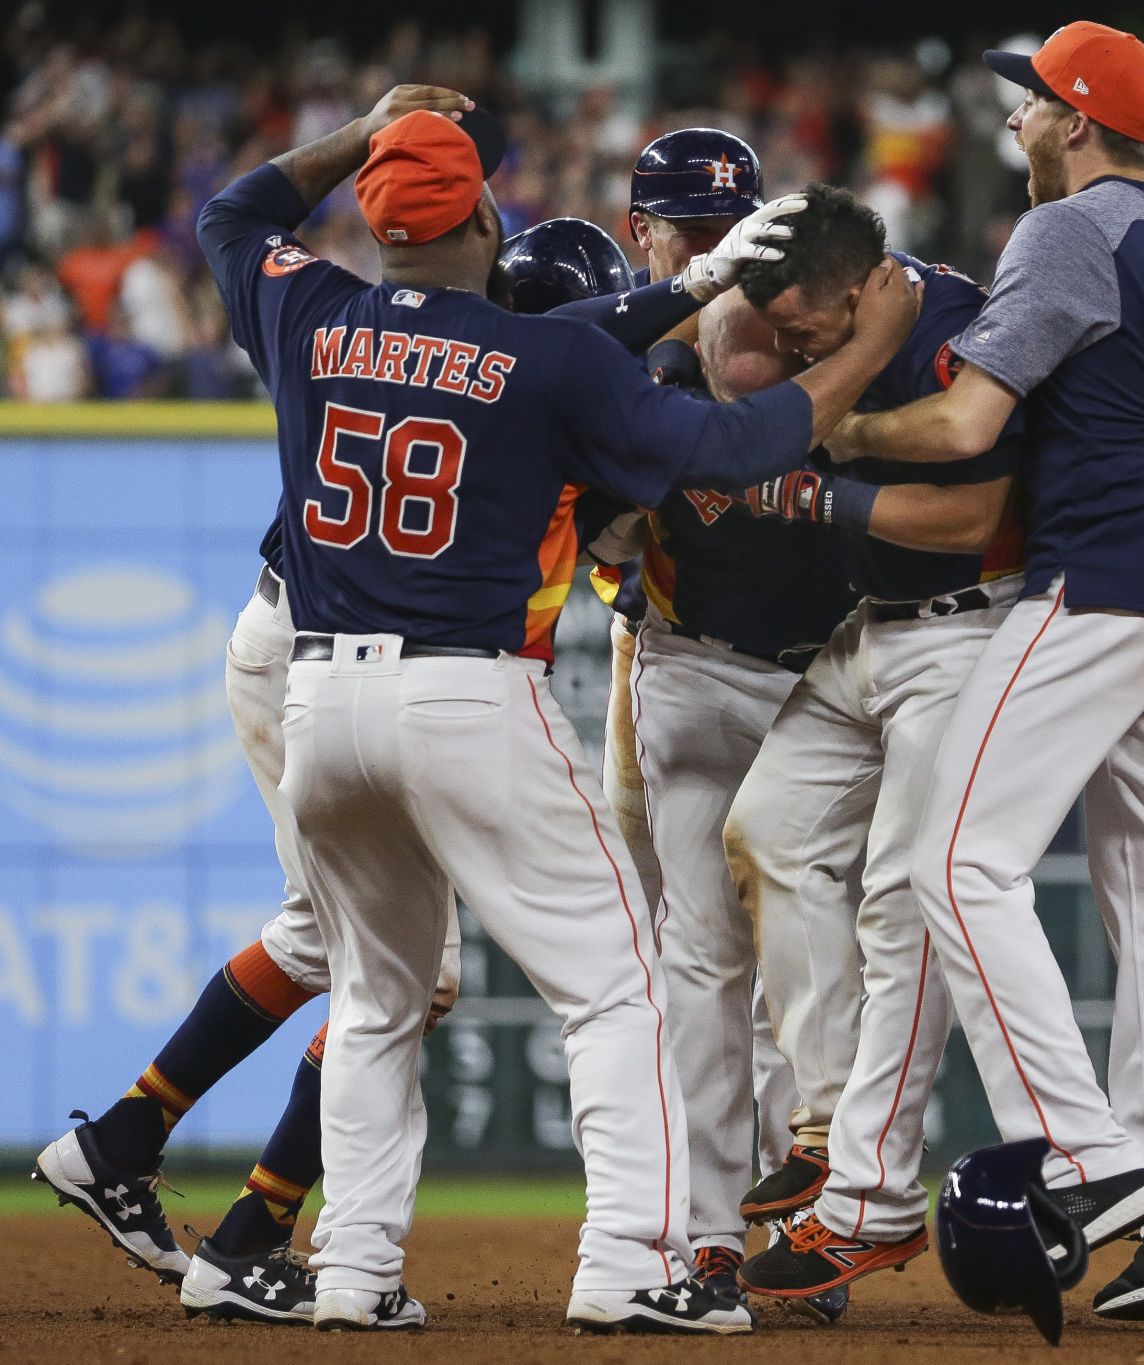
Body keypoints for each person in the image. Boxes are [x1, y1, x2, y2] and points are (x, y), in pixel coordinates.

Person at [191, 84, 914, 1333]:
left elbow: (234, 208)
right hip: (465, 697)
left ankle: (355, 1276)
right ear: (481, 210)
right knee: (619, 986)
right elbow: (733, 454)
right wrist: (862, 351)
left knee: (374, 995)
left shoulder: (304, 307)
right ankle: (631, 1267)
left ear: (372, 217)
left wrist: (369, 131)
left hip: (318, 703)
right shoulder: (552, 356)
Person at [825, 22, 1144, 1318]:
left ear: (1077, 122)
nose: (1013, 120)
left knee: (958, 861)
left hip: (1109, 566)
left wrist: (824, 428)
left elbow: (966, 421)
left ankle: (1086, 1153)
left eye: (1029, 104)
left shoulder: (1071, 228)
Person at [713, 187, 1028, 1302]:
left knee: (902, 897)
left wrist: (812, 493)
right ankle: (827, 1125)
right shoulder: (838, 318)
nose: (792, 345)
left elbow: (969, 518)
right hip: (869, 630)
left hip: (968, 626)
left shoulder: (951, 332)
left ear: (860, 293)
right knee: (762, 831)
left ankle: (872, 1188)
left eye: (804, 327)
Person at [601, 129, 866, 1314]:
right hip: (694, 665)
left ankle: (801, 1227)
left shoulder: (823, 326)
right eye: (688, 230)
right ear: (643, 233)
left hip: (831, 682)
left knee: (798, 968)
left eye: (728, 229)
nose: (711, 249)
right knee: (703, 967)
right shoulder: (623, 353)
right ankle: (707, 1242)